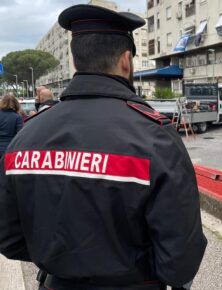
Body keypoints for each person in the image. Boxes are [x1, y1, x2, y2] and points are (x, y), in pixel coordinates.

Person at [0, 4, 206, 290]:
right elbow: (181, 257)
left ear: (76, 61)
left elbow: (9, 240)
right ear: (126, 60)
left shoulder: (27, 135)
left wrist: (62, 262)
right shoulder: (154, 136)